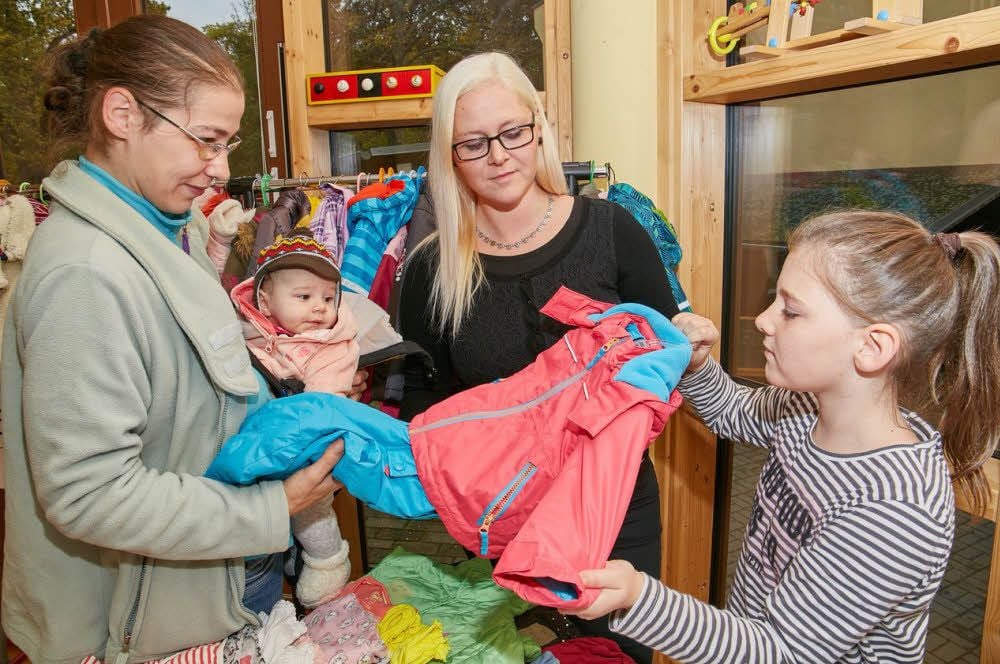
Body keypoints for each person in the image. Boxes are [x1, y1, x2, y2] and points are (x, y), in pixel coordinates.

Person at [1, 15, 345, 662]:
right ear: (123, 114)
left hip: (192, 584)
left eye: (228, 144)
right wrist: (274, 507)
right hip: (127, 623)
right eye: (206, 141)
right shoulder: (87, 272)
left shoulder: (164, 226)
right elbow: (89, 493)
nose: (220, 169)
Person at [570, 210, 1000, 663]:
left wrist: (640, 598)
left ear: (872, 347)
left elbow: (781, 652)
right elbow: (732, 410)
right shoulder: (804, 409)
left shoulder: (893, 507)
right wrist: (696, 366)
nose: (763, 320)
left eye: (791, 310)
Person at [397, 51, 680, 664]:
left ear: (538, 127)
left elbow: (667, 366)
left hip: (615, 508)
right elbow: (427, 405)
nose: (498, 155)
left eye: (512, 132)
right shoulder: (429, 270)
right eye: (472, 143)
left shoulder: (612, 231)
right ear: (449, 157)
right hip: (501, 520)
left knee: (613, 656)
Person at [230, 228, 357, 608]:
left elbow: (321, 404)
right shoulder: (247, 334)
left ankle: (327, 560)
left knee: (312, 508)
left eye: (329, 298)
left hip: (306, 450)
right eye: (304, 296)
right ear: (265, 304)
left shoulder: (332, 345)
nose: (320, 307)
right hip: (257, 456)